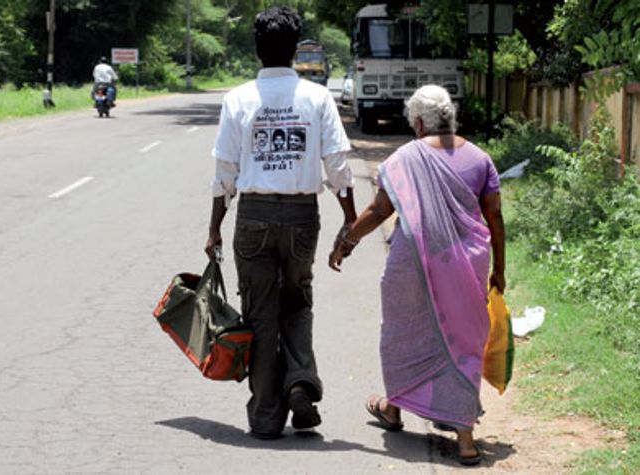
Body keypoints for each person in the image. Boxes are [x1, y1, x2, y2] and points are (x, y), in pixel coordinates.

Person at [329, 84, 505, 466]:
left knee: (404, 336)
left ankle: (396, 409)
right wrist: (501, 270)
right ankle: (464, 439)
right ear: (450, 117)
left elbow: (379, 212)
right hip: (468, 265)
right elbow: (494, 218)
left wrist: (347, 241)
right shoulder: (480, 158)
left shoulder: (404, 158)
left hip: (413, 263)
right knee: (461, 342)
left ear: (421, 122)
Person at [205, 6, 357, 440]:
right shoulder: (316, 97)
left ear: (257, 48)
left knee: (259, 315)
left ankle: (267, 416)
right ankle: (300, 384)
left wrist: (214, 228)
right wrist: (349, 221)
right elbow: (338, 167)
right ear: (295, 49)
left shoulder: (237, 99)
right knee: (297, 300)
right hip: (302, 216)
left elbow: (224, 175)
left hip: (252, 216)